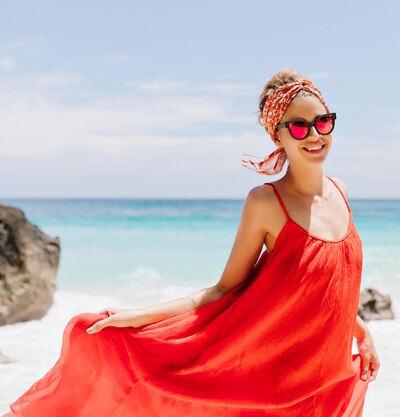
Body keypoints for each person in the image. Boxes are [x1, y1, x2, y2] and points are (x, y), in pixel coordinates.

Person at [3, 69, 380, 417]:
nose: (315, 135)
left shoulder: (341, 192)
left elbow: (328, 291)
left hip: (331, 377)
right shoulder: (266, 203)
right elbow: (224, 288)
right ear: (278, 135)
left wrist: (363, 334)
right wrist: (139, 317)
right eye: (299, 127)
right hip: (277, 382)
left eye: (323, 121)